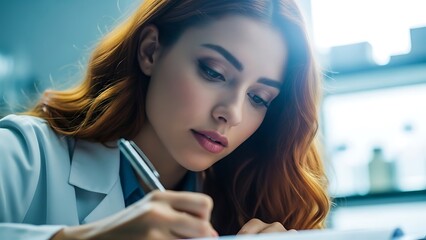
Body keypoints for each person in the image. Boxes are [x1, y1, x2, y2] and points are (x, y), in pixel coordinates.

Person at [0, 0, 331, 239]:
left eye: (259, 98)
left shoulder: (247, 207)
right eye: (213, 72)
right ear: (150, 51)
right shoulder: (23, 155)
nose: (232, 113)